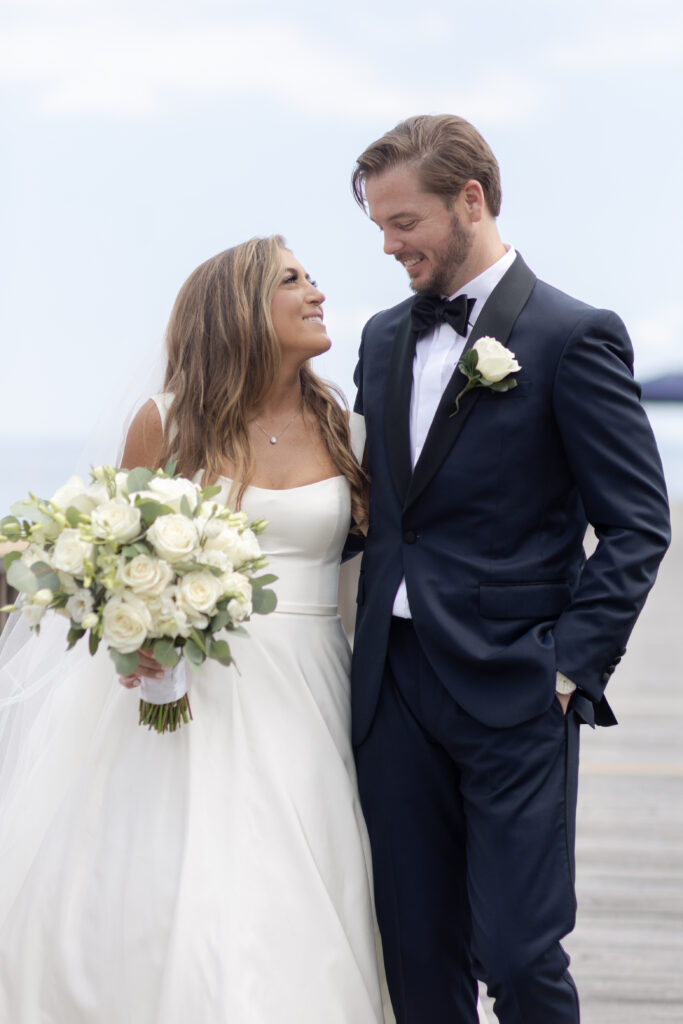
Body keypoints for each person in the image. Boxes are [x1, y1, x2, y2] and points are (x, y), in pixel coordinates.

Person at [0, 235, 394, 1023]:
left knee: (303, 882)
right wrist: (139, 637)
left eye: (312, 277)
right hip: (190, 688)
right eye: (293, 280)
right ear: (240, 306)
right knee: (179, 882)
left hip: (309, 687)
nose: (317, 291)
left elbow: (371, 573)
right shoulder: (168, 423)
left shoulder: (350, 431)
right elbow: (115, 554)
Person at [349, 114, 671, 1024]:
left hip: (516, 684)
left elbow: (639, 522)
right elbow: (376, 508)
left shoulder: (574, 336)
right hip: (391, 686)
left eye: (402, 222)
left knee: (520, 955)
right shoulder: (378, 340)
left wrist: (569, 664)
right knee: (418, 956)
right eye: (377, 226)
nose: (387, 245)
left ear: (471, 200)